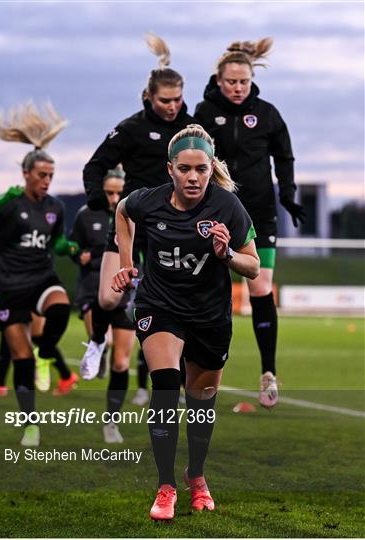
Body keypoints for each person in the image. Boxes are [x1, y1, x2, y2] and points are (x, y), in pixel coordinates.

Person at [113, 124, 259, 520]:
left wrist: (227, 253)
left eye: (200, 169)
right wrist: (127, 262)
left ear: (211, 168)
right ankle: (165, 486)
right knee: (164, 385)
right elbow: (122, 210)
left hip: (210, 315)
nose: (193, 177)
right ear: (170, 170)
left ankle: (196, 475)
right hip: (160, 306)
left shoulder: (228, 207)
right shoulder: (149, 201)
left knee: (201, 403)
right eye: (184, 169)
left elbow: (254, 266)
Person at [81, 33, 194, 405]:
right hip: (130, 220)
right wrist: (99, 200)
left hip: (172, 228)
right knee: (109, 299)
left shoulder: (190, 129)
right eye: (165, 100)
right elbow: (95, 165)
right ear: (149, 97)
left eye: (178, 99)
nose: (172, 106)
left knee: (175, 303)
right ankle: (97, 340)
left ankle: (172, 382)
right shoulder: (129, 128)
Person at [194, 38, 305, 409]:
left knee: (261, 289)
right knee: (200, 290)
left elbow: (285, 157)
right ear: (219, 80)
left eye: (243, 81)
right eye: (231, 82)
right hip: (216, 211)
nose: (238, 88)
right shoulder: (205, 112)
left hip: (259, 212)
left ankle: (268, 374)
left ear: (251, 79)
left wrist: (288, 193)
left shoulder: (269, 114)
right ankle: (185, 372)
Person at [0, 101, 79, 446]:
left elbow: (57, 242)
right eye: (42, 175)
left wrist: (70, 249)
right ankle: (30, 424)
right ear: (26, 174)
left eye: (51, 176)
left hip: (41, 278)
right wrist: (4, 198)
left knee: (61, 308)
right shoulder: (11, 202)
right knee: (19, 358)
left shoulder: (55, 208)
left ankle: (46, 353)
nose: (47, 181)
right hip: (9, 286)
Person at [70, 168, 136, 443]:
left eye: (119, 192)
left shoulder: (136, 215)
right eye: (109, 192)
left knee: (121, 363)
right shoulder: (86, 214)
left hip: (126, 292)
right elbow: (71, 246)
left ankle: (111, 422)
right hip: (93, 288)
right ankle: (98, 346)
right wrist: (78, 255)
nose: (114, 197)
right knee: (104, 341)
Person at [0, 314, 78, 398]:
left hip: (24, 295)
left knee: (37, 336)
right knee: (7, 334)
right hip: (12, 296)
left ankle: (66, 376)